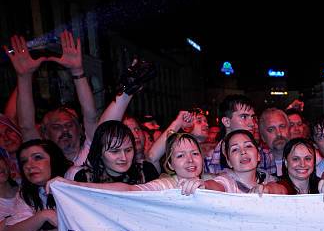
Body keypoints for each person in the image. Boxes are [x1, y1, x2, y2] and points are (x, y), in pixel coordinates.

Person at [6, 32, 97, 167]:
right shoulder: (44, 162)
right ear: (45, 134)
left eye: (69, 125)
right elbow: (26, 127)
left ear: (80, 129)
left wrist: (77, 71)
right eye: (56, 127)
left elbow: (91, 116)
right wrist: (24, 77)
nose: (64, 130)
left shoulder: (93, 151)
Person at [48, 132, 207, 196]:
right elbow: (130, 189)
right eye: (180, 155)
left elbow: (222, 185)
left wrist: (205, 187)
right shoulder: (165, 185)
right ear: (170, 164)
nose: (190, 160)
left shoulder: (215, 180)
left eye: (195, 153)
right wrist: (72, 185)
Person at [73, 121, 159, 184]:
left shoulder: (146, 171)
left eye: (128, 150)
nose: (123, 157)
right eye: (114, 151)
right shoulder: (85, 178)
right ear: (99, 153)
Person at [204, 130, 286, 194]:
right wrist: (204, 186)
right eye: (235, 149)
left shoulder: (266, 179)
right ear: (229, 162)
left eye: (248, 146)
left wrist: (268, 189)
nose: (243, 151)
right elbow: (215, 186)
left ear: (258, 156)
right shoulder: (227, 181)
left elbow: (282, 190)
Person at [205, 95, 257, 174]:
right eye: (244, 117)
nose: (252, 123)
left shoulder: (262, 154)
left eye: (252, 117)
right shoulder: (208, 159)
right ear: (226, 122)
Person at [258, 108, 290, 176]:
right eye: (271, 129)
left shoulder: (306, 158)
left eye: (282, 126)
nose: (279, 133)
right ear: (263, 137)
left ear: (289, 130)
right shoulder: (256, 165)